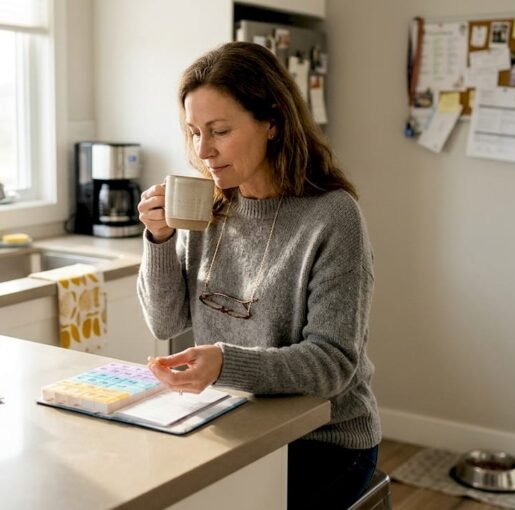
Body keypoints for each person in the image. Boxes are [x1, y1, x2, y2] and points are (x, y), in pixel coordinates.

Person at [136, 41, 381, 509]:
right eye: (193, 133)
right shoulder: (207, 202)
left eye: (219, 131)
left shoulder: (332, 217)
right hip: (226, 420)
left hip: (323, 439)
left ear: (271, 122)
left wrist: (227, 363)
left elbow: (332, 363)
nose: (203, 150)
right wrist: (160, 240)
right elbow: (165, 323)